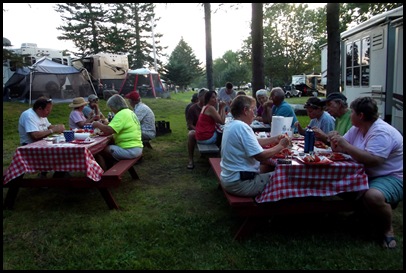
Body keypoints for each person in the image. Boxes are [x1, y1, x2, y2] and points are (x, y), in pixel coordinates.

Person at [328, 97, 403, 249]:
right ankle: (362, 215)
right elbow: (341, 148)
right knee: (333, 183)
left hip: (391, 176)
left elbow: (374, 160)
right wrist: (334, 141)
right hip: (365, 173)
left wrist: (345, 145)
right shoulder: (357, 128)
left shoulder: (381, 132)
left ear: (360, 115)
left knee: (373, 196)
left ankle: (387, 230)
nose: (350, 115)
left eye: (352, 112)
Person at [220, 95, 290, 197]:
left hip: (229, 178)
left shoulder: (232, 124)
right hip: (241, 184)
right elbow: (260, 156)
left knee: (269, 167)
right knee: (286, 176)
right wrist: (281, 146)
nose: (255, 114)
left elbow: (254, 142)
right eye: (253, 110)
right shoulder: (242, 127)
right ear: (245, 110)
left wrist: (274, 139)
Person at [92, 94, 143, 170]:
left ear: (115, 106)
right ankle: (108, 169)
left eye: (111, 107)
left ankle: (104, 174)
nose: (111, 110)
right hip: (137, 147)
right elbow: (121, 129)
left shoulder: (121, 114)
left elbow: (109, 130)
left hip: (129, 150)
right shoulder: (129, 112)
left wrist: (97, 124)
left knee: (100, 150)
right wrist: (108, 127)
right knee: (107, 146)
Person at [186, 88, 208, 169]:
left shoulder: (210, 108)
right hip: (197, 130)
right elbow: (189, 124)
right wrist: (198, 130)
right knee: (191, 134)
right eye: (205, 96)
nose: (206, 98)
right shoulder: (192, 108)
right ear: (199, 97)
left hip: (209, 130)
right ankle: (191, 159)